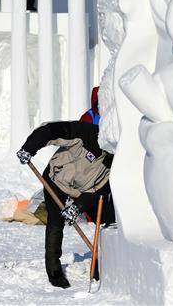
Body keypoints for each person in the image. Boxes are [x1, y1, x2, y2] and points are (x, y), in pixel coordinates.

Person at [16, 119, 115, 289]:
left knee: (108, 219)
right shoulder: (86, 134)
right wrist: (29, 147)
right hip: (56, 179)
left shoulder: (115, 161)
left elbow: (100, 190)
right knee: (56, 220)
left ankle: (101, 265)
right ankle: (53, 269)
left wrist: (78, 207)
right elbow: (50, 131)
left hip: (84, 190)